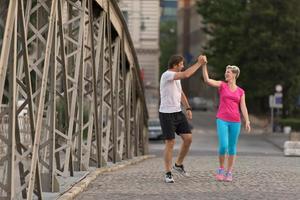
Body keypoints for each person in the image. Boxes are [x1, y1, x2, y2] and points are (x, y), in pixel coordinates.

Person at [159, 54, 206, 183]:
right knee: (170, 143)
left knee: (188, 138)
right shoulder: (167, 75)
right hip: (166, 113)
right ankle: (168, 173)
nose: (183, 66)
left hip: (178, 112)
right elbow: (186, 74)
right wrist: (199, 63)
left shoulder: (176, 78)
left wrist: (188, 108)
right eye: (181, 64)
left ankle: (178, 165)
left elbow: (181, 93)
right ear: (175, 65)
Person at [202, 59, 251, 182]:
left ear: (234, 74)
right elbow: (207, 80)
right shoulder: (222, 85)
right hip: (222, 119)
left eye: (228, 72)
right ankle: (221, 169)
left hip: (235, 121)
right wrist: (204, 65)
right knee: (223, 146)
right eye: (226, 72)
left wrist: (247, 120)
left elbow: (243, 107)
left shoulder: (241, 91)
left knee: (232, 147)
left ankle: (229, 172)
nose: (226, 74)